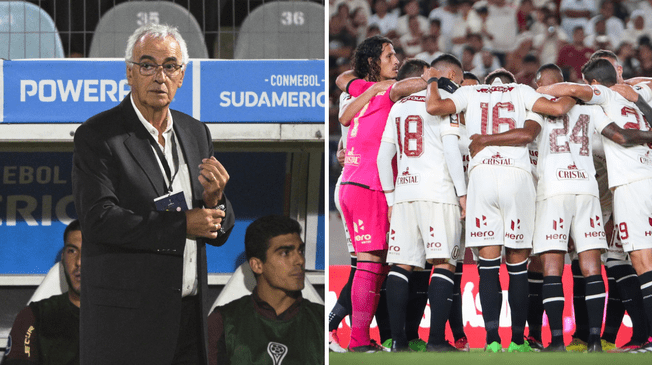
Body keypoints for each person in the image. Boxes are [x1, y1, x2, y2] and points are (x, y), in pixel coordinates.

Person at [72, 23, 235, 365]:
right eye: (148, 65)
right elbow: (99, 220)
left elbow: (219, 231)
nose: (159, 76)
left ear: (181, 76)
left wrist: (214, 200)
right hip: (127, 324)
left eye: (170, 66)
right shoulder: (98, 135)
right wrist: (182, 225)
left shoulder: (195, 132)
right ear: (130, 73)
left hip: (188, 317)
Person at [425, 67, 574, 353]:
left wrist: (432, 79)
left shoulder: (470, 91)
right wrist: (575, 92)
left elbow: (434, 107)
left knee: (488, 269)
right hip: (517, 177)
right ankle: (518, 341)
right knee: (518, 267)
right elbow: (556, 111)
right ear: (512, 83)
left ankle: (492, 341)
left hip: (481, 177)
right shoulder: (522, 91)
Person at [537, 57, 652, 353]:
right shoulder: (635, 100)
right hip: (637, 178)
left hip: (626, 187)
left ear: (595, 84)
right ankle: (614, 338)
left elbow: (566, 88)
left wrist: (539, 92)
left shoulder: (604, 97)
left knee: (641, 263)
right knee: (613, 264)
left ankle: (647, 339)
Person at [334, 35, 428, 352]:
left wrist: (370, 87)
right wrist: (431, 79)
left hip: (355, 182)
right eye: (389, 56)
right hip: (368, 184)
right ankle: (357, 339)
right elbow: (403, 87)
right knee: (370, 264)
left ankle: (363, 336)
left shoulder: (361, 91)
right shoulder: (384, 92)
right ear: (374, 62)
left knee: (377, 266)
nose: (396, 60)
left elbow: (344, 92)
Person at [378, 56, 466, 352]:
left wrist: (391, 198)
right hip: (438, 192)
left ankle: (398, 341)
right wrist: (463, 194)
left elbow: (382, 159)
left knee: (401, 266)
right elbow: (453, 151)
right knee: (443, 263)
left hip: (404, 194)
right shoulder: (443, 100)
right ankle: (437, 341)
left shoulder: (398, 106)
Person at [532, 63, 608, 352]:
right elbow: (605, 143)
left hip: (553, 190)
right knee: (591, 267)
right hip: (586, 188)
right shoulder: (589, 108)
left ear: (541, 83)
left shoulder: (536, 105)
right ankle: (595, 340)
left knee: (552, 268)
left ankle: (557, 341)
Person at [207, 215, 323, 364]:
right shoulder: (222, 323)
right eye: (285, 253)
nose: (299, 260)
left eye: (300, 251)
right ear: (257, 265)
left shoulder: (321, 321)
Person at [2, 220, 82, 365]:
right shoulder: (35, 316)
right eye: (72, 251)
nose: (79, 262)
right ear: (63, 258)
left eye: (89, 252)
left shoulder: (123, 317)